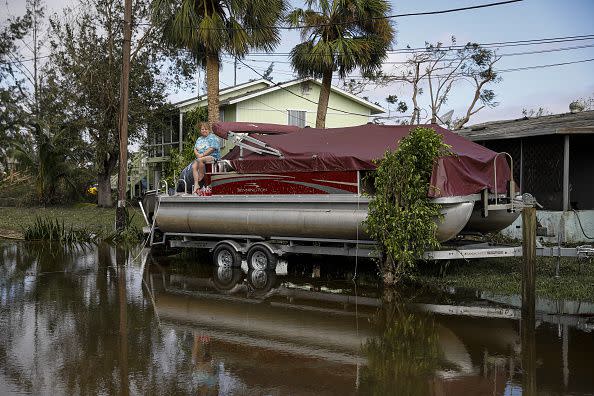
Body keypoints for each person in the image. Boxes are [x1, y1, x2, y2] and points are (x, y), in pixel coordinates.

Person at [192, 121, 220, 194]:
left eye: (205, 129)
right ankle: (196, 184)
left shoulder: (213, 137)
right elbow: (195, 148)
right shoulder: (199, 139)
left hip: (213, 157)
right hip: (201, 157)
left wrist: (202, 155)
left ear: (209, 130)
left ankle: (201, 175)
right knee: (193, 166)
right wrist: (197, 154)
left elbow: (212, 149)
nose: (204, 130)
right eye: (202, 129)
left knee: (200, 160)